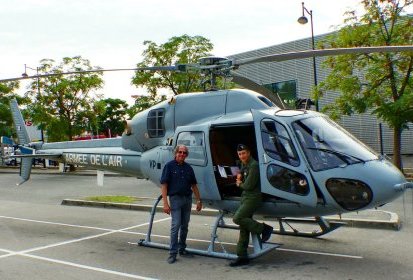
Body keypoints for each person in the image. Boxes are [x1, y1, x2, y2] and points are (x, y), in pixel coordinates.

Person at [230, 144, 273, 267]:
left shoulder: (254, 166)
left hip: (253, 198)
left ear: (249, 153)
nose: (242, 156)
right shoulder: (245, 165)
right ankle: (242, 256)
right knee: (244, 227)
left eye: (244, 153)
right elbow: (244, 177)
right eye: (240, 154)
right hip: (246, 197)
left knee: (237, 218)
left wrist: (239, 183)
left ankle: (264, 229)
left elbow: (249, 186)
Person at [160, 144, 203, 264]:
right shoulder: (169, 166)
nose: (182, 154)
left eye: (184, 153)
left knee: (185, 226)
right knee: (176, 226)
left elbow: (194, 185)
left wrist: (199, 201)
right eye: (180, 152)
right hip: (175, 199)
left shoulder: (189, 168)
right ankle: (172, 253)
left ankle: (182, 248)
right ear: (176, 153)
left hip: (187, 199)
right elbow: (164, 185)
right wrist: (165, 203)